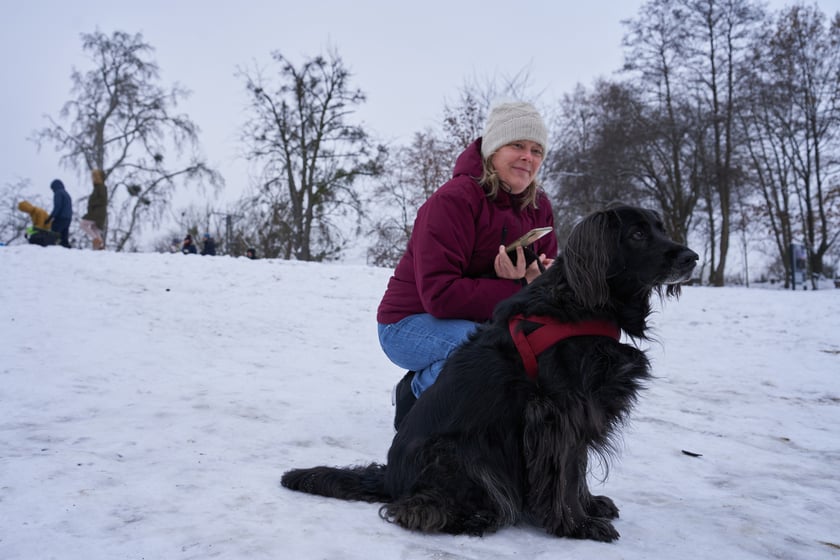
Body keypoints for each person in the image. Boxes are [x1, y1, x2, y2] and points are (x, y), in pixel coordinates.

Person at [376, 101, 558, 429]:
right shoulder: (453, 201)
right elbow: (440, 295)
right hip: (406, 324)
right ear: (492, 150)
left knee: (536, 348)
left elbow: (544, 290)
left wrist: (541, 280)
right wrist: (516, 288)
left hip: (482, 321)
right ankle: (415, 395)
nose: (528, 157)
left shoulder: (539, 206)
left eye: (536, 150)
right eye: (517, 145)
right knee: (490, 351)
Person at [79, 169, 107, 250]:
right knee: (95, 229)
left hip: (97, 213)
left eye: (95, 176)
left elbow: (103, 200)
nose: (93, 178)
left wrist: (92, 202)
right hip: (96, 212)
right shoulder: (98, 187)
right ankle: (100, 247)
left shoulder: (101, 187)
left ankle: (96, 239)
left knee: (83, 224)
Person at [47, 179, 73, 248]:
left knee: (53, 235)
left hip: (61, 218)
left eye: (52, 189)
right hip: (68, 218)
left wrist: (50, 218)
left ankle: (50, 249)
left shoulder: (58, 193)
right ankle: (67, 251)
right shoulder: (67, 194)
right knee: (64, 238)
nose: (52, 191)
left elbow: (57, 207)